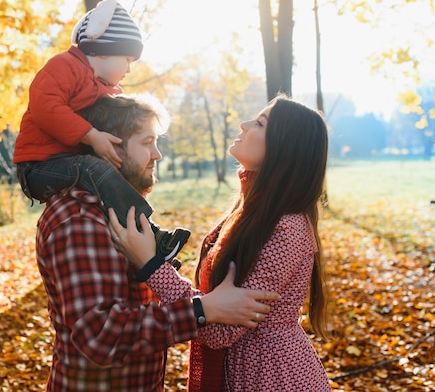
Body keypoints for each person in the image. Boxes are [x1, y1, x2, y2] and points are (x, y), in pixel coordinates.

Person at [35, 93, 281, 391]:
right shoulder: (80, 220)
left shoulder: (113, 208)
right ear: (109, 146)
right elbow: (101, 335)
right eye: (146, 142)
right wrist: (202, 310)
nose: (157, 154)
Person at [109, 93, 332, 391]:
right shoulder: (253, 209)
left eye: (260, 123)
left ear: (284, 147)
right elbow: (214, 304)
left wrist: (152, 266)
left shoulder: (286, 228)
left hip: (269, 378)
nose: (244, 124)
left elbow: (218, 331)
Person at [14, 0, 190, 265]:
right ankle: (152, 235)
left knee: (103, 186)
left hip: (64, 161)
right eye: (127, 59)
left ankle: (148, 256)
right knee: (94, 169)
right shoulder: (65, 66)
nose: (130, 69)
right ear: (105, 50)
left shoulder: (103, 87)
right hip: (38, 166)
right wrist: (92, 136)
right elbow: (44, 105)